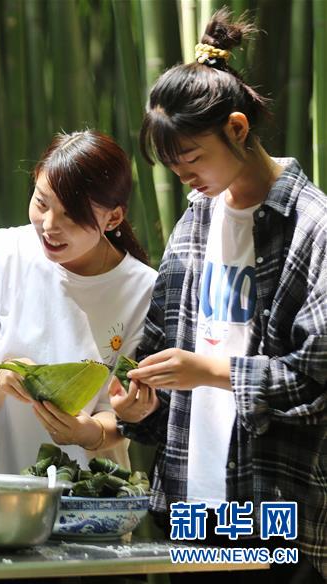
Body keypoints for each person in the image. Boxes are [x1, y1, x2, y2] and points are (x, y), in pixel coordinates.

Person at [113, 9, 325, 581]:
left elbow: (316, 378)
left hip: (273, 498)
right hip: (190, 493)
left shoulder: (312, 226)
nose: (184, 177)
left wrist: (207, 372)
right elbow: (162, 344)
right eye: (172, 167)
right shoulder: (196, 221)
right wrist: (139, 403)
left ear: (236, 128)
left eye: (191, 160)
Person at [0, 130, 157, 477]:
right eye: (42, 202)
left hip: (87, 503)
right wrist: (0, 377)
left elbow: (125, 414)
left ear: (113, 218)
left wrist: (89, 433)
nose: (49, 226)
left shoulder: (144, 290)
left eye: (72, 215)